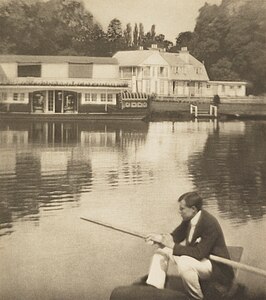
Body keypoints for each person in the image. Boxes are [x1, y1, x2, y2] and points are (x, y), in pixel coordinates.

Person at [145, 191, 234, 300]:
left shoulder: (210, 224)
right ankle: (155, 290)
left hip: (215, 266)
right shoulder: (189, 219)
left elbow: (199, 253)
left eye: (182, 209)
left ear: (193, 209)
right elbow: (175, 236)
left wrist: (172, 246)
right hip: (198, 259)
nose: (179, 211)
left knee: (184, 262)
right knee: (161, 251)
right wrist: (159, 238)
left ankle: (196, 297)